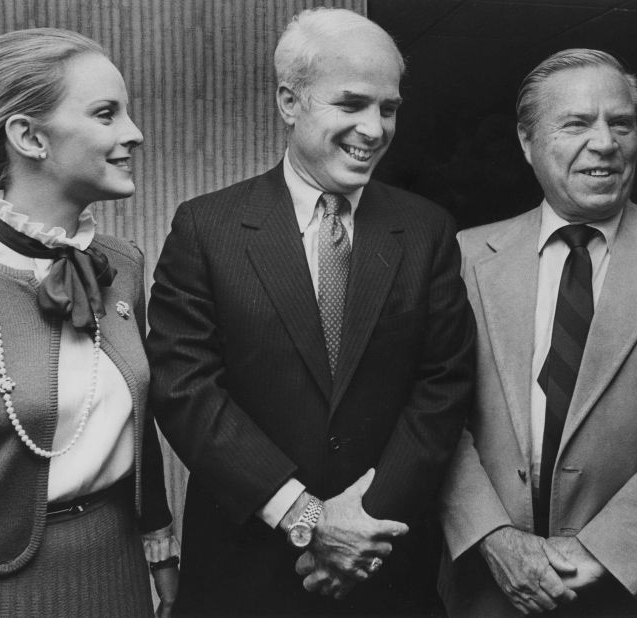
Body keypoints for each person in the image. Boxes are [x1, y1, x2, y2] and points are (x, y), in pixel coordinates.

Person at [144, 7, 476, 616]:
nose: (374, 129)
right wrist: (306, 516)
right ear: (289, 101)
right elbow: (184, 387)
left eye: (389, 108)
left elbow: (443, 385)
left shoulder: (426, 229)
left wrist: (362, 524)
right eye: (351, 104)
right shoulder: (206, 227)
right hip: (243, 574)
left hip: (384, 566)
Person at [437, 48, 637, 617]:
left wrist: (599, 550)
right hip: (491, 590)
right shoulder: (463, 257)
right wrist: (493, 537)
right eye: (578, 123)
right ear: (527, 141)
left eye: (622, 124)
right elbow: (433, 412)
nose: (606, 142)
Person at [0, 28, 179, 617]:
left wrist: (160, 550)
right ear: (29, 137)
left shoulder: (123, 266)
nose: (135, 133)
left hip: (118, 573)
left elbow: (140, 421)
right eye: (107, 114)